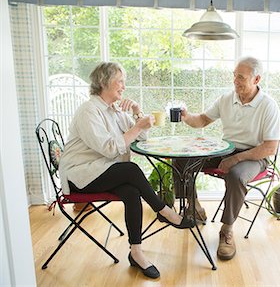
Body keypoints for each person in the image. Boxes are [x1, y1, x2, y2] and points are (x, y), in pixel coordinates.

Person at [59, 62, 194, 279]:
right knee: (131, 170)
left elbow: (141, 137)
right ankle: (164, 211)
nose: (123, 86)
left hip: (102, 170)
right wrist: (137, 126)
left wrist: (137, 112)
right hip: (81, 176)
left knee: (132, 192)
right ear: (103, 82)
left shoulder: (114, 109)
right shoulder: (89, 111)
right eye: (119, 81)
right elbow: (110, 148)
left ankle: (136, 252)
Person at [174, 56, 280, 260]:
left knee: (236, 175)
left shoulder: (268, 106)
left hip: (254, 156)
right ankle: (194, 207)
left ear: (257, 79)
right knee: (182, 160)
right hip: (225, 149)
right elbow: (203, 120)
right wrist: (187, 116)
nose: (235, 81)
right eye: (234, 75)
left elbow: (270, 147)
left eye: (241, 77)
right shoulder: (226, 99)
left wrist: (237, 159)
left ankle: (227, 230)